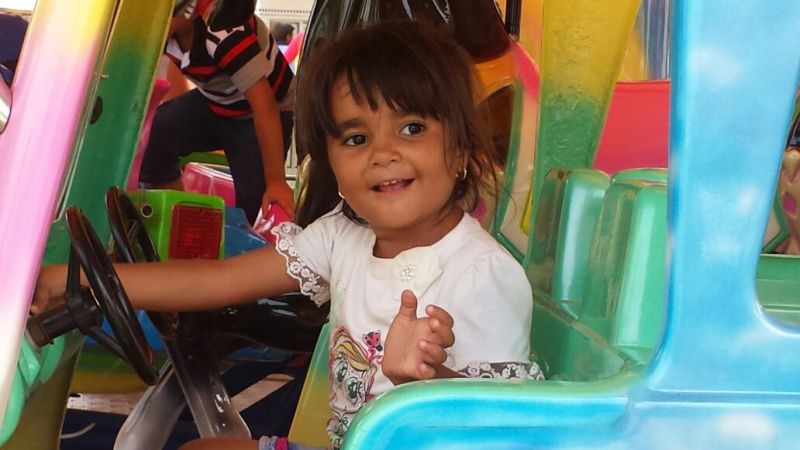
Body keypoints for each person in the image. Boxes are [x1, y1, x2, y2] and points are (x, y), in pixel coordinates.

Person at [34, 21, 542, 450]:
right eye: (357, 137)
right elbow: (219, 280)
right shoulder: (343, 236)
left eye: (412, 128)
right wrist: (74, 278)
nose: (383, 153)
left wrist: (428, 385)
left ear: (461, 150)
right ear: (331, 164)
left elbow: (513, 427)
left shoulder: (482, 274)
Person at [139, 0, 296, 224]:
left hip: (263, 112)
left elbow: (265, 106)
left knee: (257, 203)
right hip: (218, 102)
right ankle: (179, 216)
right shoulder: (165, 34)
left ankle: (257, 232)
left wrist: (276, 181)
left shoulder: (224, 34)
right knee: (157, 132)